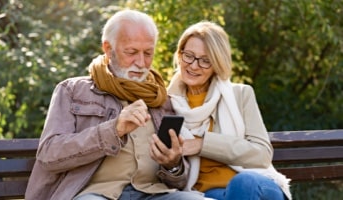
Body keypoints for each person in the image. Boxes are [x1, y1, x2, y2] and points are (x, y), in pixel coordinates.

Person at [25, 9, 204, 200]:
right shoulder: (73, 90)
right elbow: (49, 154)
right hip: (94, 194)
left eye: (148, 53)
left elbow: (180, 180)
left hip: (153, 193)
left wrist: (173, 164)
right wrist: (114, 129)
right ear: (109, 49)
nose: (142, 63)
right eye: (132, 52)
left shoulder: (160, 99)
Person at [167, 21, 292, 200]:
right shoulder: (166, 104)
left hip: (258, 186)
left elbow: (262, 153)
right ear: (179, 55)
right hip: (208, 194)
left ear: (217, 64)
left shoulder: (240, 94)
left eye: (205, 61)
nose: (194, 66)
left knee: (243, 183)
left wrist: (203, 145)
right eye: (189, 56)